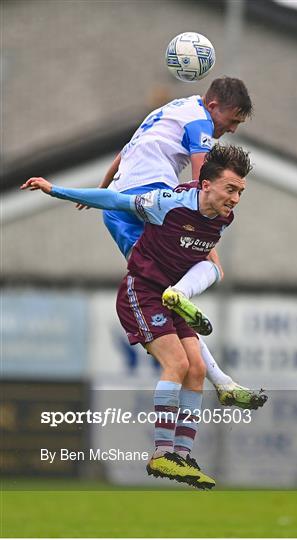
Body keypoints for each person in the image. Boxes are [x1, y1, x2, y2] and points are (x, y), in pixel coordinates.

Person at [21, 144, 267, 489]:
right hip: (143, 291)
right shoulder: (167, 203)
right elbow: (116, 202)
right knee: (178, 365)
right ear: (205, 185)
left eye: (241, 191)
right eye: (231, 189)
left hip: (169, 295)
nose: (236, 198)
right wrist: (55, 189)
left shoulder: (224, 218)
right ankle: (161, 453)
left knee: (196, 368)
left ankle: (180, 456)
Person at [77, 76, 259, 409]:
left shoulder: (174, 109)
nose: (231, 128)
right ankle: (222, 381)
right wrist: (206, 240)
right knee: (191, 272)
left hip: (122, 202)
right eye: (231, 120)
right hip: (148, 199)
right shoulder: (201, 123)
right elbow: (204, 185)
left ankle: (220, 379)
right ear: (214, 106)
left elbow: (125, 153)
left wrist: (103, 191)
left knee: (167, 285)